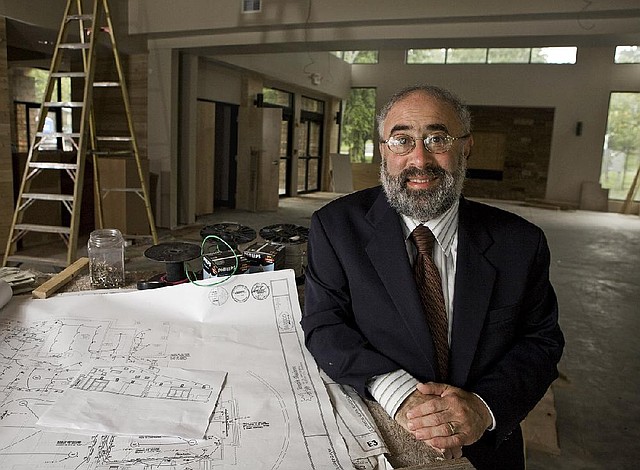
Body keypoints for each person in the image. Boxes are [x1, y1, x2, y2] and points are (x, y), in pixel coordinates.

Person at [301, 84, 564, 470]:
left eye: (437, 139)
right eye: (402, 140)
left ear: (466, 147)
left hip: (484, 441)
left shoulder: (520, 243)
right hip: (380, 429)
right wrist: (401, 394)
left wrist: (482, 407)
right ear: (383, 150)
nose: (419, 159)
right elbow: (325, 325)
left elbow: (541, 341)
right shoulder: (336, 228)